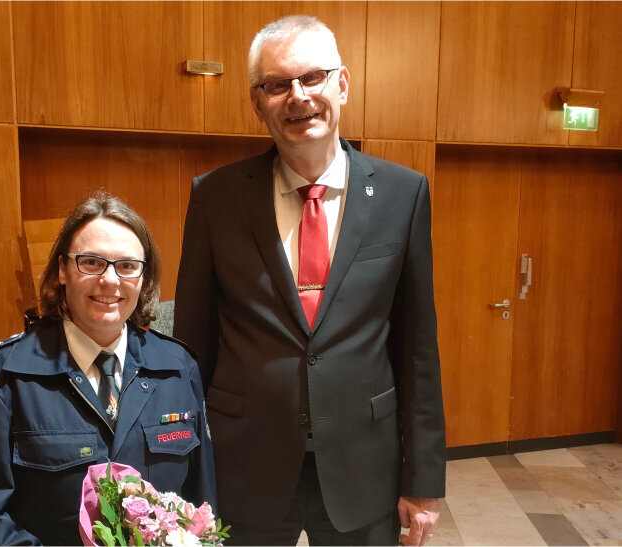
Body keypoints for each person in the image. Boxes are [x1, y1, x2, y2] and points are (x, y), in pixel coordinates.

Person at [174, 15, 445, 547]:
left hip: (363, 466)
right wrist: (184, 465)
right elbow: (192, 345)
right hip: (244, 464)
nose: (298, 96)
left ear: (341, 84)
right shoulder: (216, 197)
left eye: (313, 77)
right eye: (277, 84)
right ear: (257, 103)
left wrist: (424, 480)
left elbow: (417, 349)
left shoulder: (403, 194)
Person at [0, 192, 216, 545]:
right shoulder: (0, 378)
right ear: (63, 270)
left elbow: (201, 510)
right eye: (91, 262)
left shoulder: (179, 369)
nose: (110, 280)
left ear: (144, 277)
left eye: (127, 266)